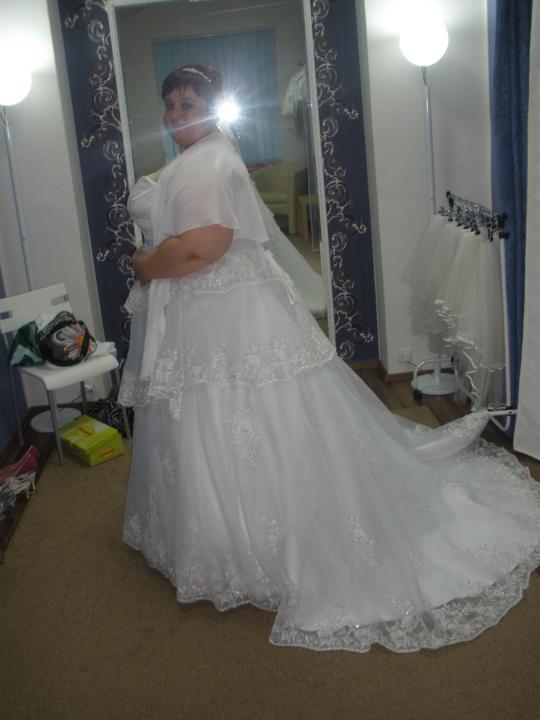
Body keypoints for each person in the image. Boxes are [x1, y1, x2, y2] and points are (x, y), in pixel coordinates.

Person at [119, 64, 540, 654]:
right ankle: (212, 529)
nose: (174, 114)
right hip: (202, 313)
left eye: (188, 104)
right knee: (207, 420)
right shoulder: (200, 155)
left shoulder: (208, 162)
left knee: (239, 415)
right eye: (169, 104)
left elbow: (203, 247)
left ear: (211, 110)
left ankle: (258, 537)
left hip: (223, 314)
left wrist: (144, 265)